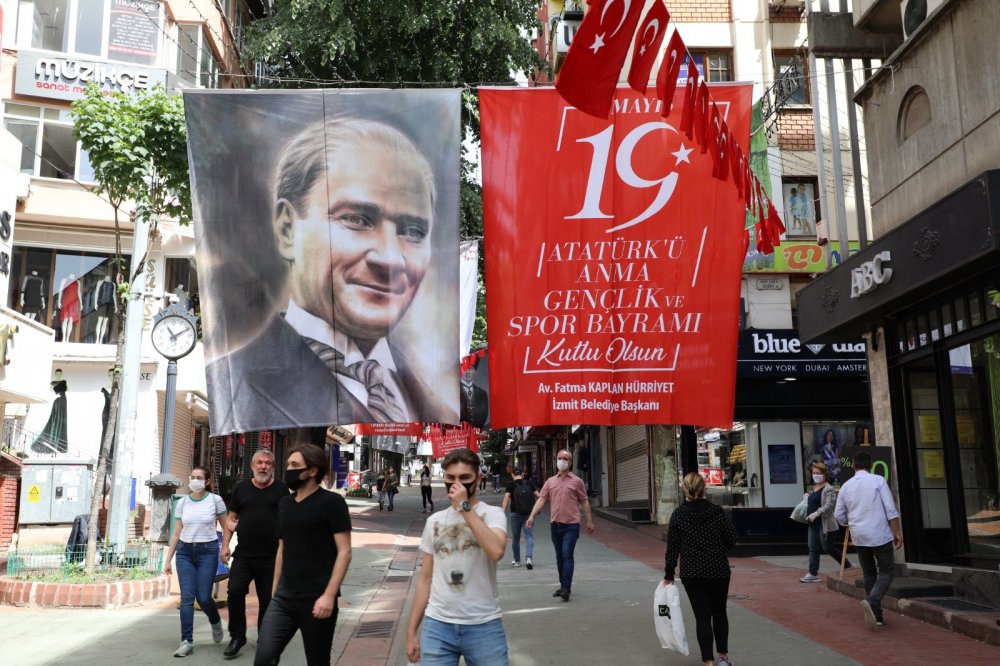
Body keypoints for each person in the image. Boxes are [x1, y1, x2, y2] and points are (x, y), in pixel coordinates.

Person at [205, 117, 458, 433]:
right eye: (357, 220)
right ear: (287, 229)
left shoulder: (437, 404)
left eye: (413, 231)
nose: (390, 259)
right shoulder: (231, 386)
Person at [405, 448, 509, 665]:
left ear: (478, 478)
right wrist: (411, 631)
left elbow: (496, 551)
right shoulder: (434, 521)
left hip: (484, 625)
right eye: (451, 478)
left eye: (464, 478)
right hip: (438, 625)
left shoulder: (493, 514)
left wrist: (464, 507)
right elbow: (425, 579)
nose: (457, 484)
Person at [254, 444, 352, 665]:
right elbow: (282, 549)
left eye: (295, 465)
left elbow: (345, 552)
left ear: (313, 470)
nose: (289, 469)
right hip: (283, 599)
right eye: (288, 464)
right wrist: (275, 590)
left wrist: (329, 595)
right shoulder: (285, 504)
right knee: (264, 657)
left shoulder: (332, 503)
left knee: (317, 661)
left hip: (317, 598)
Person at [663, 472, 738, 666]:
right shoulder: (717, 512)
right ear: (704, 489)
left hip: (692, 572)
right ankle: (724, 658)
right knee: (719, 612)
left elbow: (672, 549)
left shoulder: (678, 514)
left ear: (684, 490)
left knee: (702, 616)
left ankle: (708, 662)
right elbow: (731, 540)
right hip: (718, 569)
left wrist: (668, 575)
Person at [220, 450, 289, 658]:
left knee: (268, 600)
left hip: (271, 556)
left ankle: (265, 639)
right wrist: (225, 545)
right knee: (234, 592)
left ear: (273, 467)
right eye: (259, 463)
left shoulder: (281, 489)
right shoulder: (241, 488)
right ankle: (237, 636)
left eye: (268, 463)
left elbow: (289, 521)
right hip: (244, 554)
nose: (263, 466)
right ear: (252, 466)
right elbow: (231, 519)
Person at [163, 466, 229, 658]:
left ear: (207, 481)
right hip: (185, 552)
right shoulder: (183, 502)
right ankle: (187, 641)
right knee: (187, 598)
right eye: (192, 477)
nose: (195, 480)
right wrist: (168, 560)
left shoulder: (215, 500)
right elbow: (176, 532)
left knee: (204, 597)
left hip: (207, 552)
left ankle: (215, 621)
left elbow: (226, 527)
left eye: (199, 478)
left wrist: (225, 547)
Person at [834, 451, 903, 630]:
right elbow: (890, 509)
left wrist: (850, 521)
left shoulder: (846, 486)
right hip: (879, 533)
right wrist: (897, 531)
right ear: (871, 465)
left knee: (869, 573)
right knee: (886, 571)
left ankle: (877, 615)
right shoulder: (878, 481)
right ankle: (872, 601)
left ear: (853, 465)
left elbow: (839, 515)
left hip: (859, 535)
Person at [525, 449, 594, 602]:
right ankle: (563, 585)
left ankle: (566, 589)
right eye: (560, 458)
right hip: (555, 525)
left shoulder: (577, 481)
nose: (562, 461)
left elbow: (584, 501)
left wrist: (589, 520)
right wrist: (531, 516)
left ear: (570, 462)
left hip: (571, 525)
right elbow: (541, 499)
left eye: (565, 458)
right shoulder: (550, 481)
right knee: (559, 557)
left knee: (567, 554)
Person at [800, 462, 852, 583]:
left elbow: (829, 506)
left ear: (824, 474)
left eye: (818, 473)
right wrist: (807, 497)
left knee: (828, 548)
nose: (815, 475)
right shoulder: (813, 489)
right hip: (813, 524)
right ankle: (813, 573)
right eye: (814, 473)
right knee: (813, 548)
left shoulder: (829, 489)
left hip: (825, 524)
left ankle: (847, 565)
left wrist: (816, 513)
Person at [501, 466, 537, 569]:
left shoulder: (510, 485)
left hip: (515, 513)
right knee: (529, 536)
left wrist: (502, 512)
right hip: (528, 514)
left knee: (516, 538)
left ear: (512, 474)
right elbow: (539, 495)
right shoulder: (529, 483)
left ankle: (517, 561)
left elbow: (506, 498)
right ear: (523, 474)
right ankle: (529, 559)